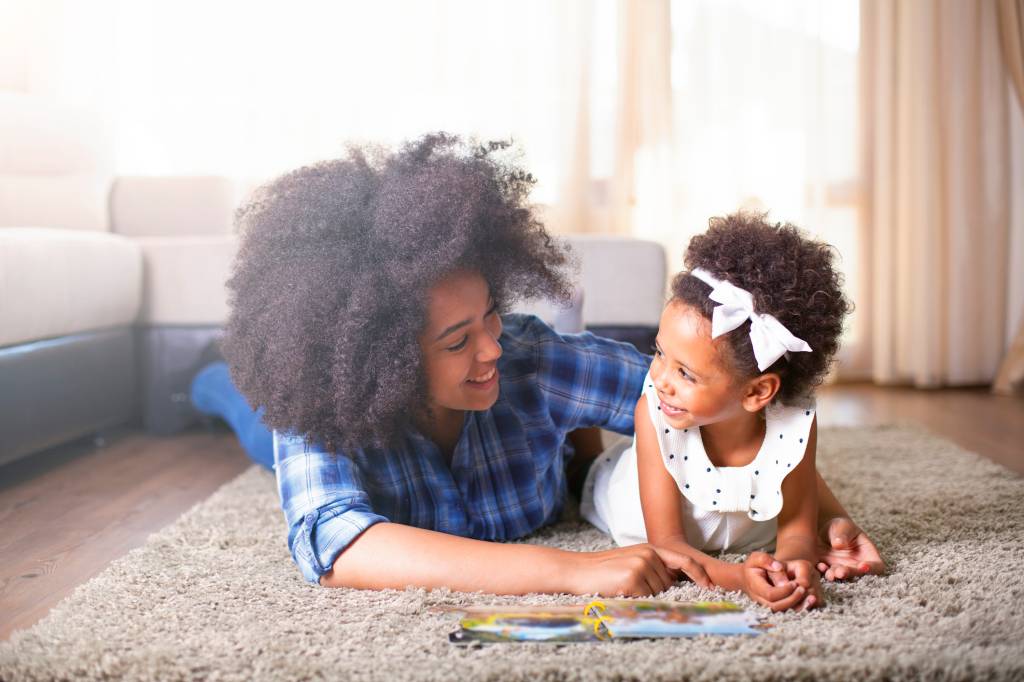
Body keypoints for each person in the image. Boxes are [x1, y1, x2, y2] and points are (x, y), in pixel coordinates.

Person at [203, 133, 882, 596]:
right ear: (380, 360)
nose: (492, 347)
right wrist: (570, 571)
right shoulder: (321, 396)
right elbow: (334, 545)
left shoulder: (528, 361)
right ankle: (211, 376)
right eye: (456, 341)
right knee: (250, 413)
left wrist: (828, 519)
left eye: (490, 313)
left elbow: (729, 402)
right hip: (291, 408)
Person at [580, 213, 879, 611]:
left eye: (685, 373)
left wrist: (794, 569)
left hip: (742, 532)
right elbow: (669, 548)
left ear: (757, 392)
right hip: (630, 502)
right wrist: (741, 579)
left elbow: (795, 530)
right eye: (659, 352)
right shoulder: (653, 411)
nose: (661, 379)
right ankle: (576, 435)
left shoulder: (795, 424)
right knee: (583, 473)